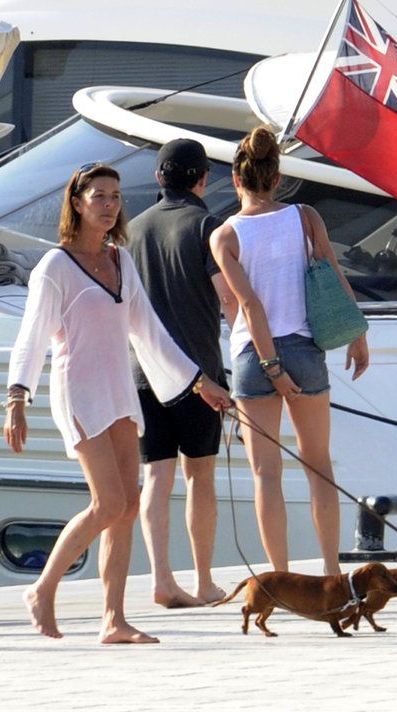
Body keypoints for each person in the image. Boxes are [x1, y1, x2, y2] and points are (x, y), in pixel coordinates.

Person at [3, 163, 231, 643]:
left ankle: (114, 619)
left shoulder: (122, 260)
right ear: (78, 203)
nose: (109, 205)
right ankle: (42, 590)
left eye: (115, 196)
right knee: (107, 502)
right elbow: (32, 338)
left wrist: (199, 382)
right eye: (99, 196)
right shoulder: (55, 266)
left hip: (121, 393)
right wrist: (16, 398)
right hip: (79, 393)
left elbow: (150, 331)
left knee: (128, 506)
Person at [210, 126, 369, 576]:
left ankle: (278, 577)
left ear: (236, 180)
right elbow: (335, 276)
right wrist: (358, 334)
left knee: (266, 473)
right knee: (318, 465)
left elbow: (249, 305)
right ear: (278, 177)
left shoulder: (224, 236)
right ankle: (332, 573)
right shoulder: (305, 217)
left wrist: (269, 366)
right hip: (303, 348)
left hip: (250, 357)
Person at [129, 139, 237, 608]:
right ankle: (205, 581)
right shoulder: (205, 226)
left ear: (158, 177)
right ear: (202, 179)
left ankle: (160, 579)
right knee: (200, 477)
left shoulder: (129, 230)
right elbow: (228, 298)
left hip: (142, 373)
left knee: (156, 476)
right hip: (198, 373)